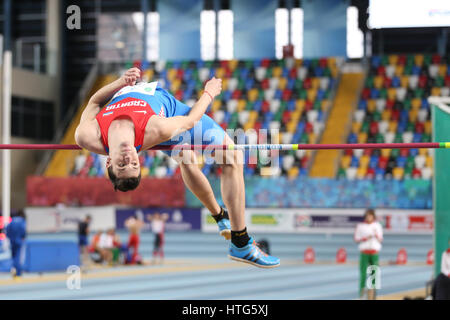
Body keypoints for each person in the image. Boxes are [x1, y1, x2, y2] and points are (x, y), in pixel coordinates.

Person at [74, 67, 279, 268]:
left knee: (187, 157)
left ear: (108, 161)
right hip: (172, 115)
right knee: (233, 155)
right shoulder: (157, 128)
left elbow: (94, 101)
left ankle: (219, 215)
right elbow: (190, 121)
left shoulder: (88, 136)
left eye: (122, 163)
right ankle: (241, 242)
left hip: (147, 110)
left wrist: (120, 82)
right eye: (133, 164)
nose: (129, 157)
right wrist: (210, 92)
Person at [354, 209, 383, 299]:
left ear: (373, 216)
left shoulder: (377, 226)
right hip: (364, 252)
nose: (369, 217)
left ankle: (372, 293)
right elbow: (356, 239)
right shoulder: (360, 226)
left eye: (370, 216)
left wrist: (375, 235)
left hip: (374, 252)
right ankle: (361, 293)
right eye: (367, 216)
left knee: (374, 273)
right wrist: (365, 238)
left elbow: (380, 239)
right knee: (363, 273)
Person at [6, 210, 26, 279]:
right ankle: (18, 272)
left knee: (13, 256)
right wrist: (23, 237)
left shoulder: (12, 221)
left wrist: (10, 238)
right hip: (19, 241)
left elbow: (7, 230)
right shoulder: (22, 221)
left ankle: (13, 269)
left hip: (12, 241)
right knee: (18, 257)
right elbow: (23, 230)